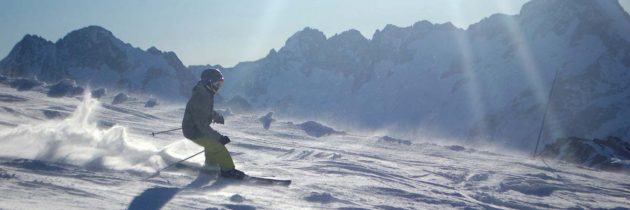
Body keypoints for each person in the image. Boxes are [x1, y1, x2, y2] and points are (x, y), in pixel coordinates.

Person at [181, 68, 245, 179]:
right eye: (217, 84)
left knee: (211, 145)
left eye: (220, 84)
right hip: (194, 130)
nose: (218, 87)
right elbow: (202, 125)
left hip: (196, 128)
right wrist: (219, 137)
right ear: (208, 82)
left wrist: (216, 117)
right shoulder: (201, 97)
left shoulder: (205, 93)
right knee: (217, 146)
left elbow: (206, 111)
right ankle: (228, 170)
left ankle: (210, 166)